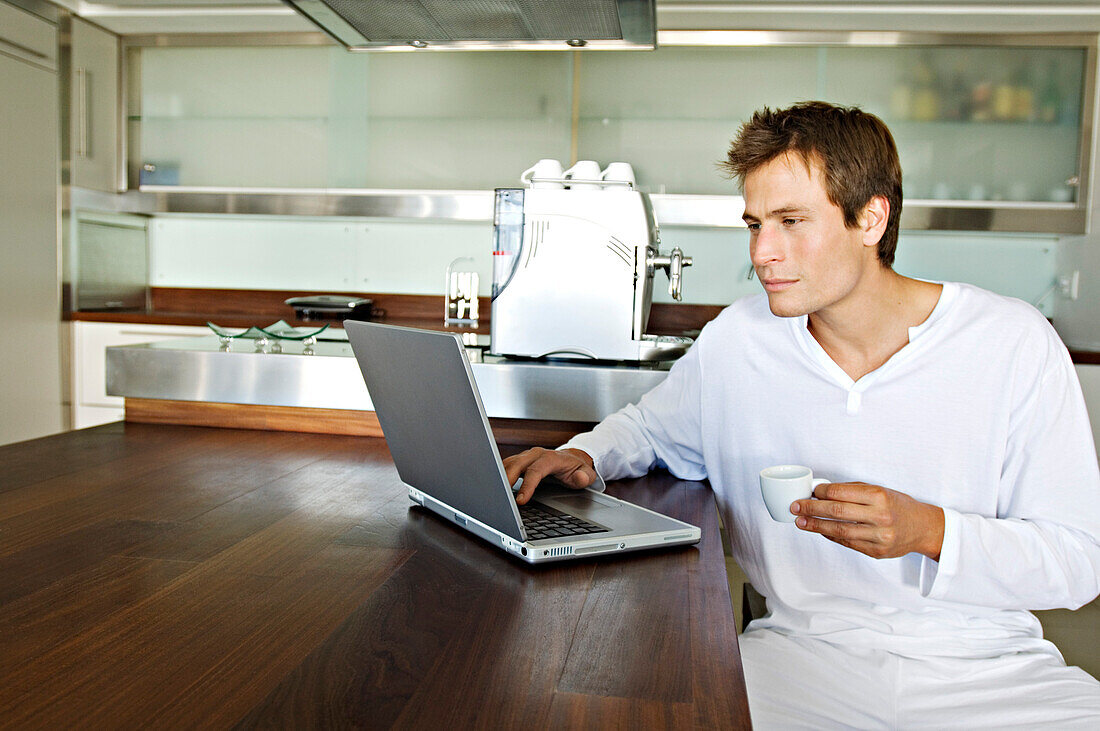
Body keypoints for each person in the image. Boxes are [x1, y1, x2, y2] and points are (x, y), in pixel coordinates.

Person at [503, 101, 1100, 727]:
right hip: (798, 659)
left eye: (791, 221)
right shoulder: (739, 340)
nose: (763, 252)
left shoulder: (1012, 341)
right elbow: (653, 428)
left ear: (871, 218)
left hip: (991, 668)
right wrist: (585, 454)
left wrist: (931, 531)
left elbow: (1079, 561)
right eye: (755, 223)